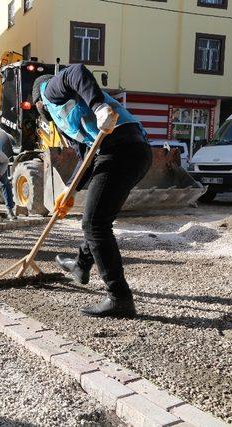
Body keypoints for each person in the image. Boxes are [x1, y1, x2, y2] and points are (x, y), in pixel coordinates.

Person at [32, 64, 152, 318]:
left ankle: (119, 298)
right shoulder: (68, 122)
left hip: (121, 148)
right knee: (99, 216)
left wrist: (98, 107)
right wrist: (71, 190)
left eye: (37, 110)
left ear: (38, 102)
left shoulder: (51, 91)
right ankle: (81, 266)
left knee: (94, 224)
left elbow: (76, 71)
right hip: (135, 152)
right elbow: (86, 156)